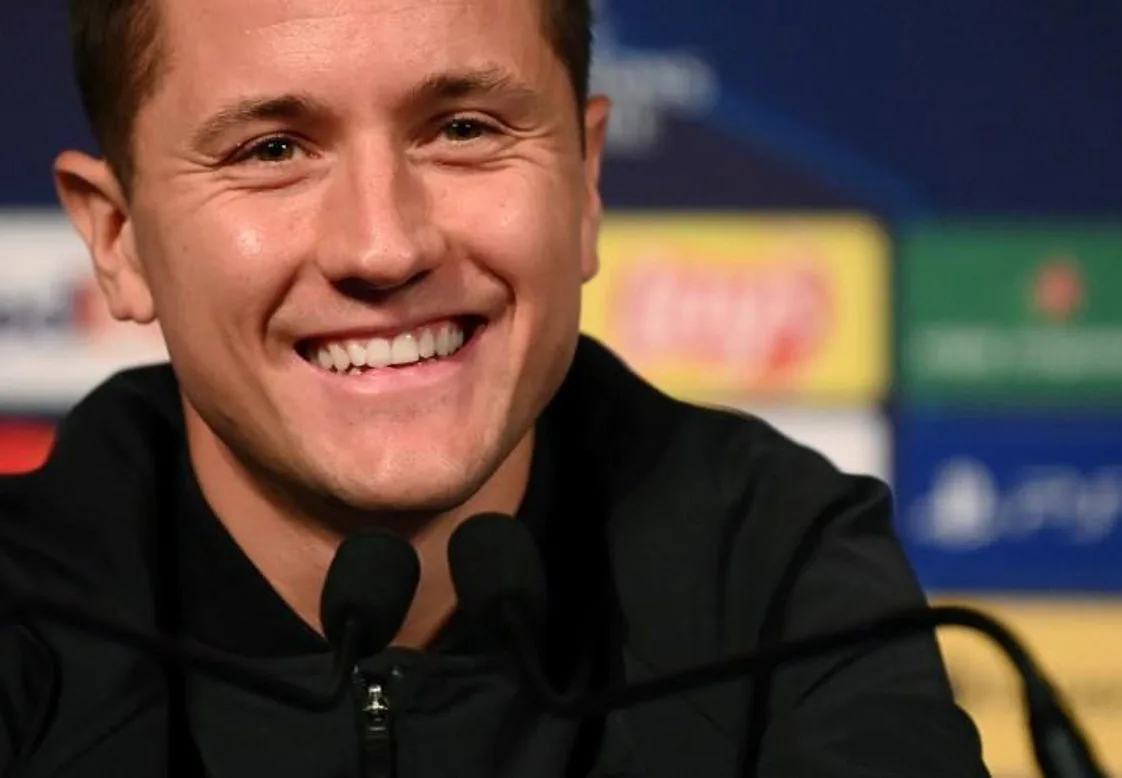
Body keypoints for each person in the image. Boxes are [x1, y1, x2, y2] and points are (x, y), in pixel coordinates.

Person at [0, 0, 990, 775]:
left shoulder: (774, 566)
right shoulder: (27, 614)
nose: (384, 245)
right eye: (272, 151)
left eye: (463, 129)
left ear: (587, 181)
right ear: (115, 237)